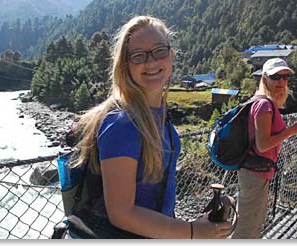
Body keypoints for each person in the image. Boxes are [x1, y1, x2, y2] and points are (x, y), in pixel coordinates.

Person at [70, 15, 231, 239]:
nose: (151, 62)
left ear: (171, 55)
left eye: (159, 51)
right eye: (138, 56)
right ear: (125, 65)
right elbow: (121, 213)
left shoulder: (160, 118)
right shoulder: (122, 124)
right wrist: (193, 231)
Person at [231, 58, 297, 239]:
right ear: (265, 79)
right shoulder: (264, 105)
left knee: (252, 223)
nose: (281, 82)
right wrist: (292, 130)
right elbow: (263, 145)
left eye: (285, 77)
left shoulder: (265, 102)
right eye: (276, 76)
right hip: (255, 172)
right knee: (247, 228)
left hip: (256, 171)